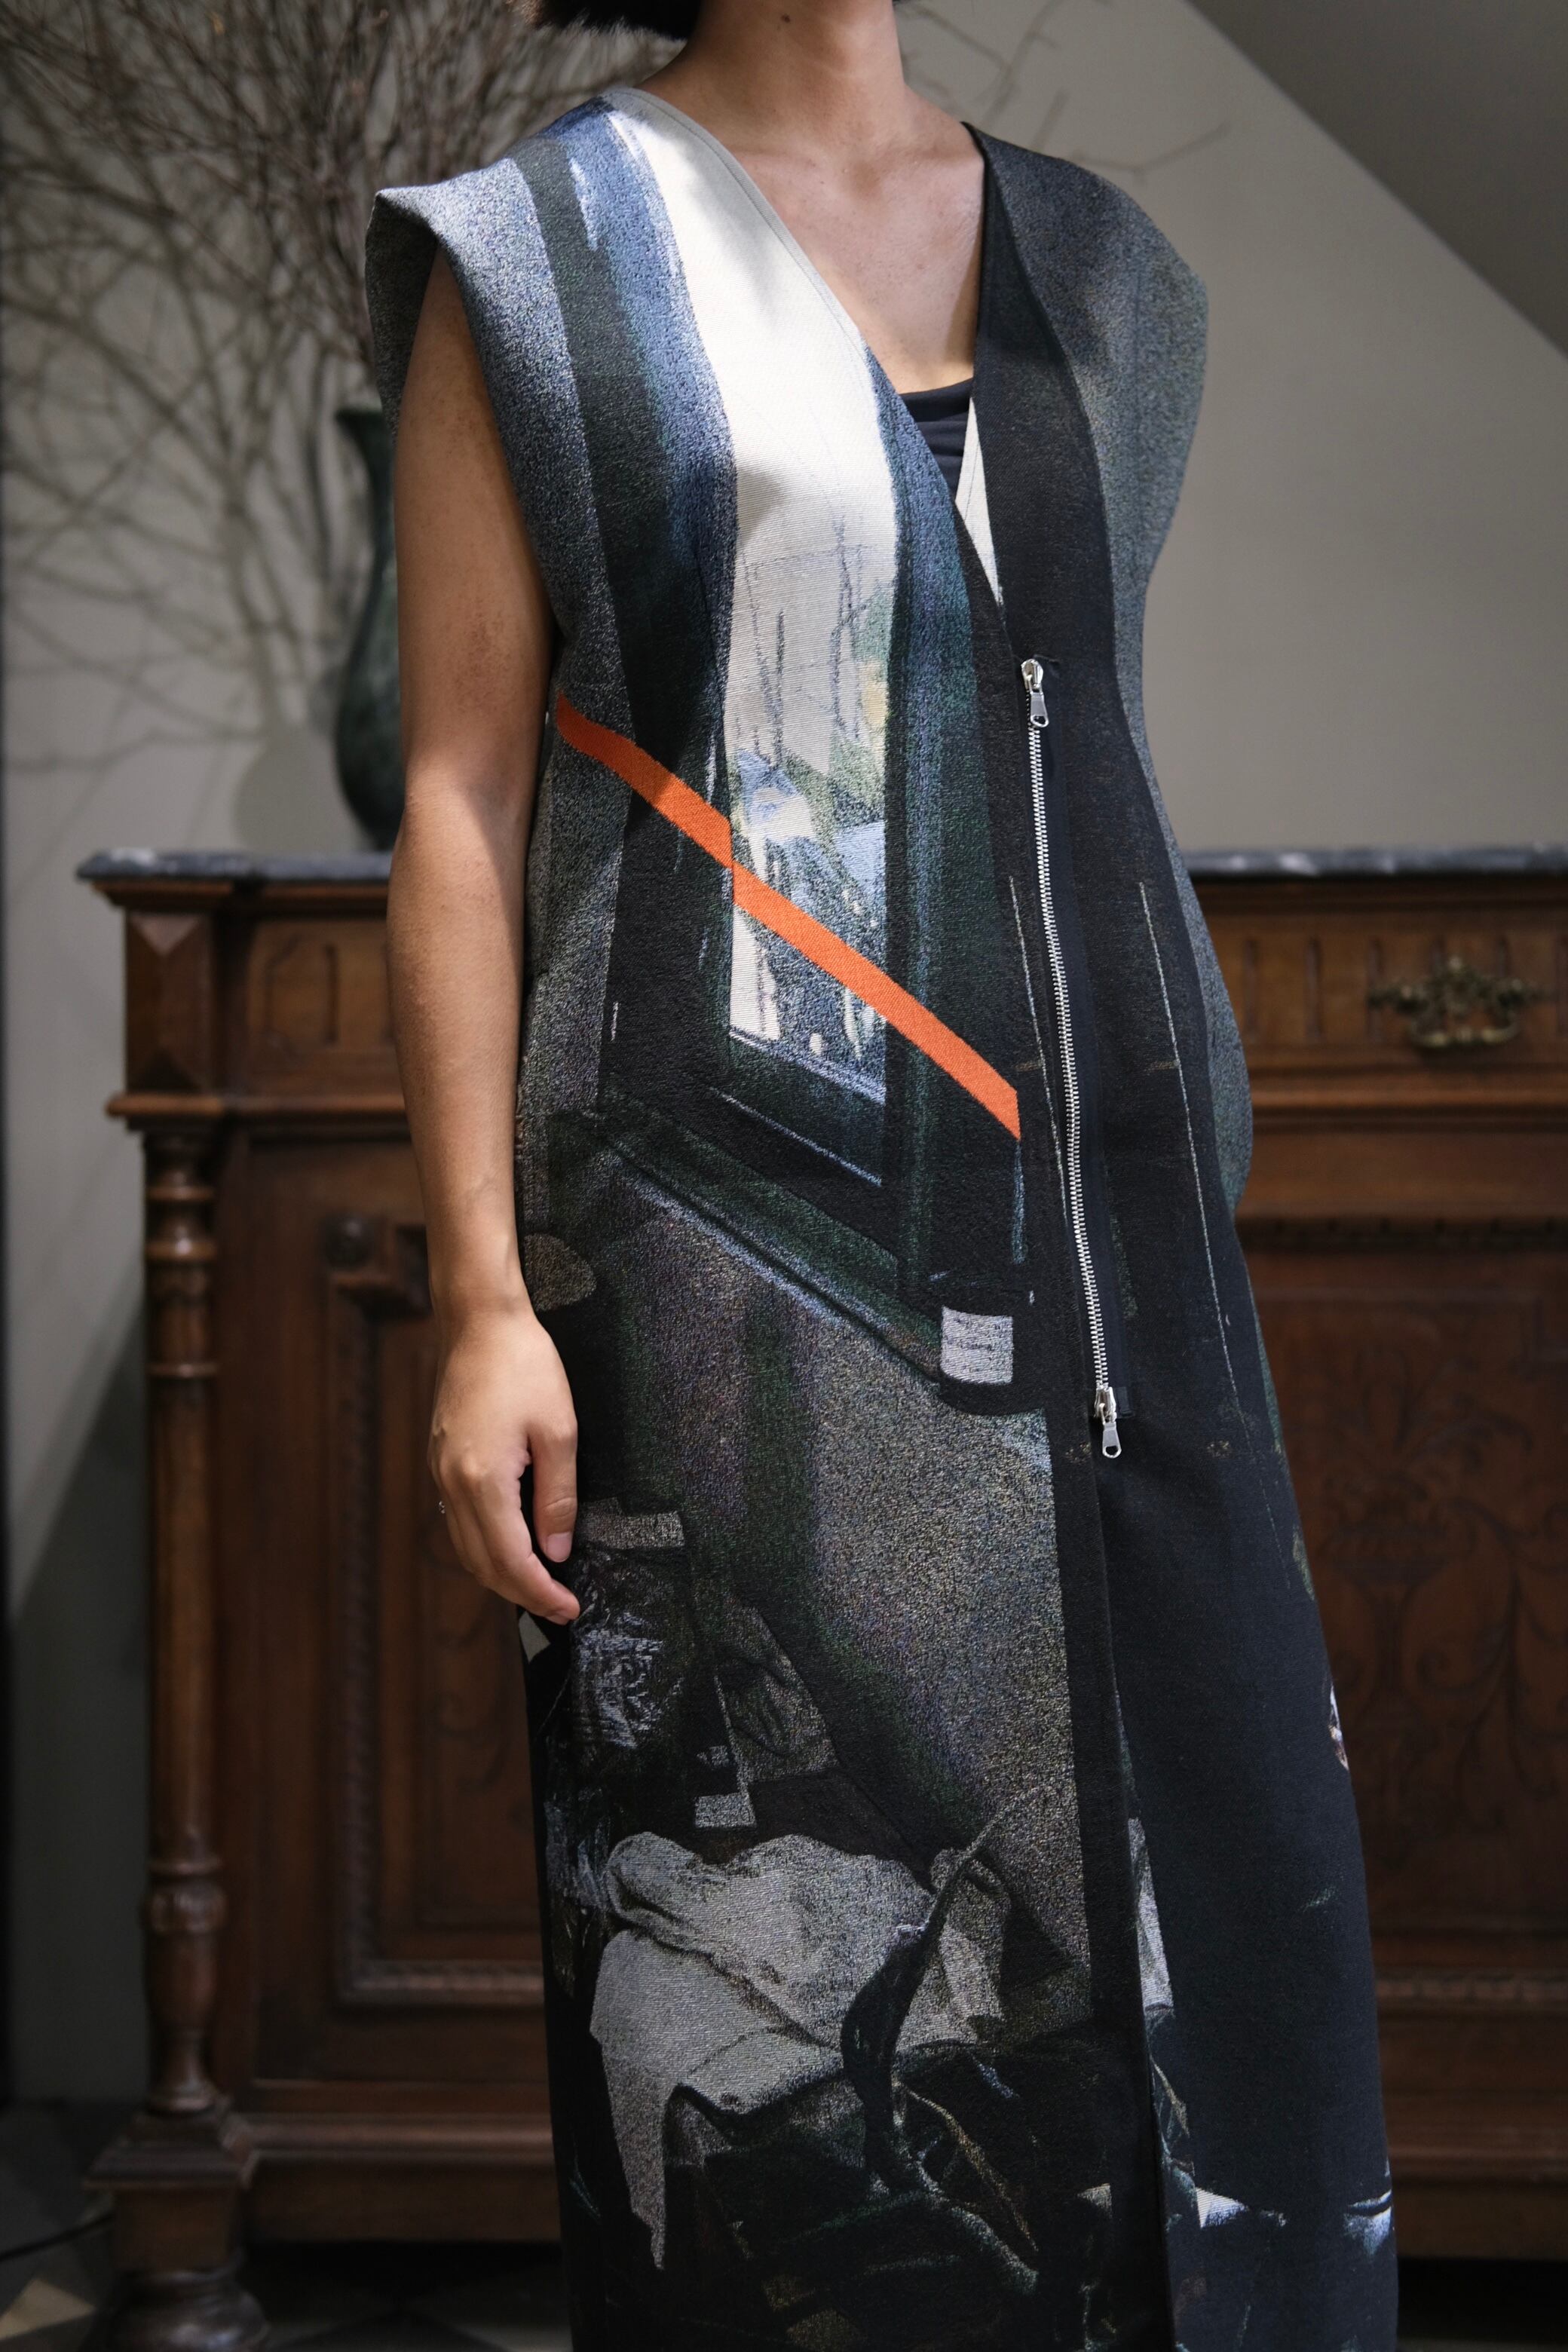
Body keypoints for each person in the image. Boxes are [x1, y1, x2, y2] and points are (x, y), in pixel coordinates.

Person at [365, 2, 1397, 2342]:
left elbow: (1064, 730)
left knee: (1240, 2015)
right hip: (733, 1296)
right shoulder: (538, 255)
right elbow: (458, 792)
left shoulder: (1107, 272)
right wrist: (483, 1299)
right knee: (813, 2084)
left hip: (1137, 1273)